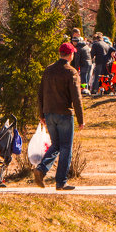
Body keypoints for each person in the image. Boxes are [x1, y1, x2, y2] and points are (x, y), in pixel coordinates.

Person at [35, 42, 85, 190]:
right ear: (71, 55)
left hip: (49, 112)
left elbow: (41, 93)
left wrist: (42, 113)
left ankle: (42, 168)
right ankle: (61, 181)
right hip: (64, 113)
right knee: (65, 148)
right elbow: (76, 97)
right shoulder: (71, 72)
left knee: (55, 145)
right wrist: (81, 119)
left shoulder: (48, 70)